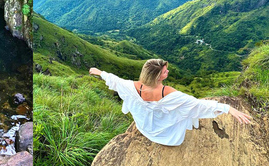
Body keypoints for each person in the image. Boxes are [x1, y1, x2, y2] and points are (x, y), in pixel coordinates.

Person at [89, 59, 251, 146]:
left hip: (144, 127)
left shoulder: (131, 87)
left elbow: (115, 80)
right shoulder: (169, 94)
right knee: (182, 112)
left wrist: (99, 72)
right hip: (166, 135)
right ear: (158, 77)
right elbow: (198, 105)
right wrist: (227, 108)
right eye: (165, 71)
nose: (168, 72)